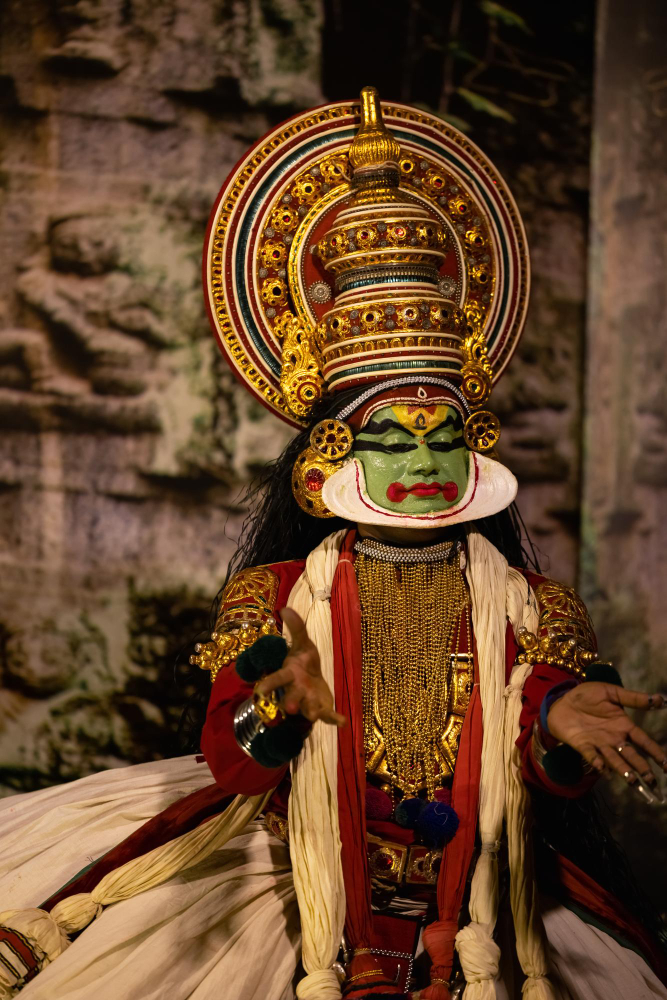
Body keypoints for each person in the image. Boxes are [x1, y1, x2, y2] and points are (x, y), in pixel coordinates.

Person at [0, 88, 665, 1000]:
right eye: (393, 439)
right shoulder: (274, 595)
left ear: (477, 451)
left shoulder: (534, 605)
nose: (423, 461)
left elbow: (540, 766)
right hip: (294, 875)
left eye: (444, 437)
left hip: (476, 901)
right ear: (326, 462)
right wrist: (276, 708)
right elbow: (233, 755)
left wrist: (551, 723)